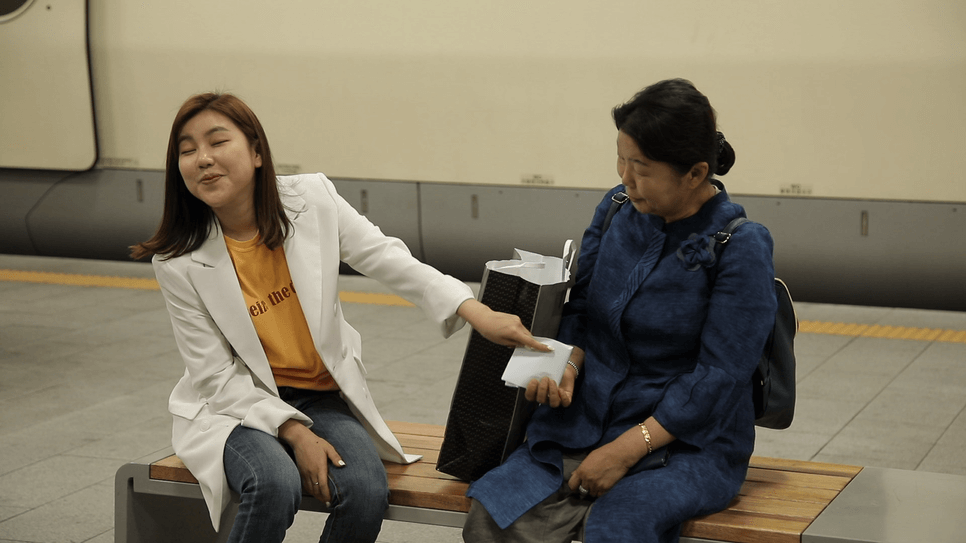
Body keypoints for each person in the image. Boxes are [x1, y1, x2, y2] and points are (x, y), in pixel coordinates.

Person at [130, 92, 549, 543]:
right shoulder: (177, 260)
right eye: (187, 150)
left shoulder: (312, 200)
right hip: (234, 406)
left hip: (319, 396)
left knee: (366, 491)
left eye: (217, 142)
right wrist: (294, 432)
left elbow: (387, 257)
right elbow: (215, 377)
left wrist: (477, 312)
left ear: (256, 151)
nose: (203, 159)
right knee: (273, 484)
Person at [462, 78, 779, 543]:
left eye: (642, 168)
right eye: (621, 160)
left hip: (686, 442)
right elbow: (581, 308)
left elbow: (721, 375)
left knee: (617, 527)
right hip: (584, 422)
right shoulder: (616, 210)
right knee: (493, 513)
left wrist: (628, 448)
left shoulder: (740, 244)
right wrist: (569, 363)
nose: (626, 178)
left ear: (695, 174)